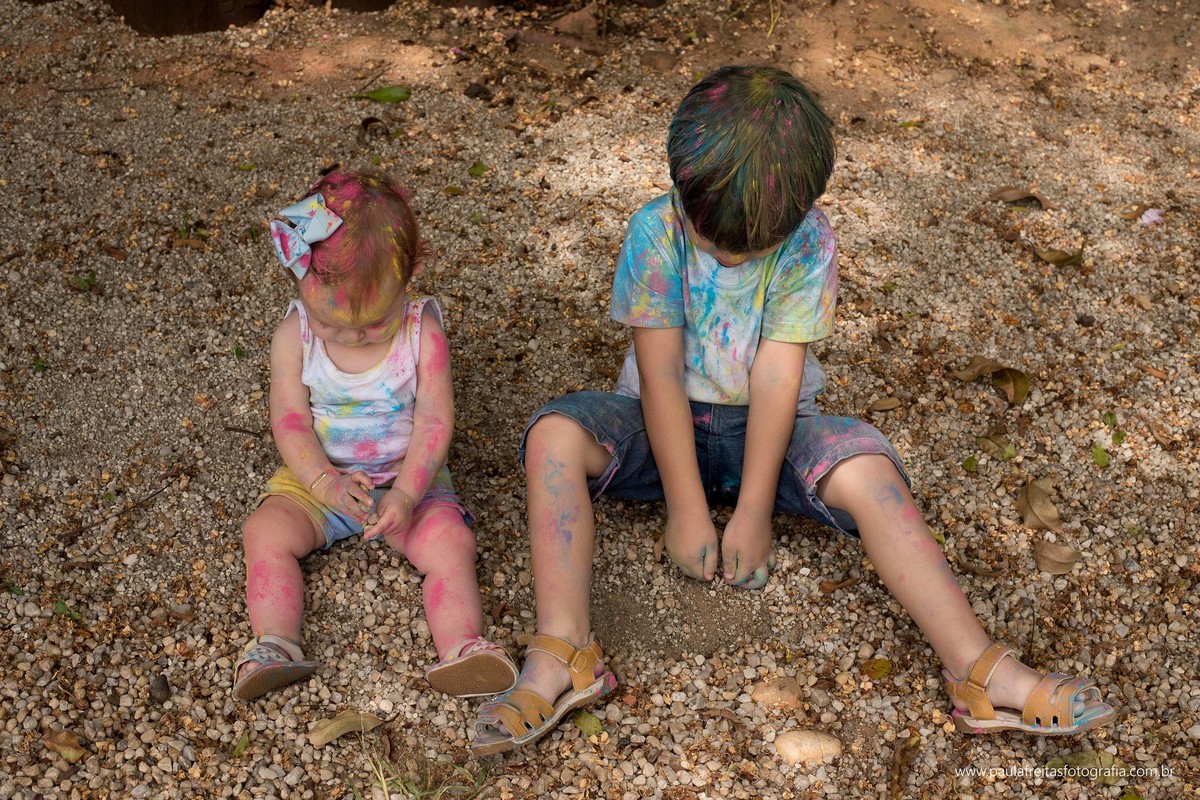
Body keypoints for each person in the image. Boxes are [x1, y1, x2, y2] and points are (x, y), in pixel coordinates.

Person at [471, 66, 1115, 754]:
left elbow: (779, 377)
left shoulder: (809, 240)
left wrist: (751, 512)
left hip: (774, 439)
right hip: (660, 431)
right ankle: (562, 653)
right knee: (553, 437)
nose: (727, 255)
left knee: (870, 470)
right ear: (681, 184)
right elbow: (658, 374)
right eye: (715, 240)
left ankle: (981, 669)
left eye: (749, 249)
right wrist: (686, 509)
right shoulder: (656, 232)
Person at [233, 170, 517, 702]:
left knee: (452, 544)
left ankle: (464, 648)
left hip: (411, 480)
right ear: (301, 288)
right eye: (331, 323)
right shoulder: (292, 337)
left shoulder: (421, 333)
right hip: (319, 482)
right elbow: (290, 421)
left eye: (371, 325)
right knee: (265, 533)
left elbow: (434, 420)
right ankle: (275, 644)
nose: (351, 336)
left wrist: (409, 494)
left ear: (408, 280)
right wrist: (323, 483)